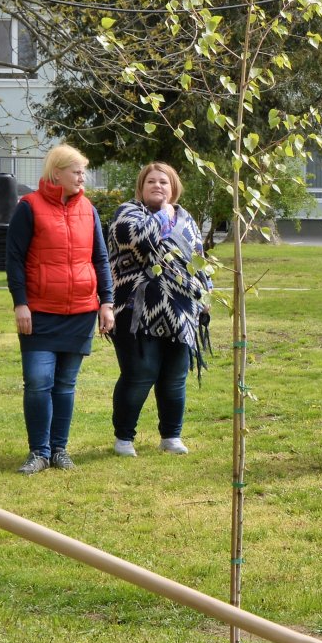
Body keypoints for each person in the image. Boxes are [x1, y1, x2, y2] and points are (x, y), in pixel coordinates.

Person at [7, 145, 114, 474]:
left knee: (66, 385)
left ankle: (59, 450)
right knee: (38, 382)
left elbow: (100, 258)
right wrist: (21, 303)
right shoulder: (28, 208)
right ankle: (38, 451)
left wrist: (106, 303)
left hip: (81, 311)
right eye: (76, 171)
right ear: (56, 173)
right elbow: (14, 260)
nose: (82, 177)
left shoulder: (89, 210)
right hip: (39, 311)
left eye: (83, 171)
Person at [107, 162, 210, 458]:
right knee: (140, 372)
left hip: (181, 310)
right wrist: (162, 216)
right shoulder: (127, 214)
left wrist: (206, 294)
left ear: (173, 187)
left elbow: (199, 260)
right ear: (141, 187)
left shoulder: (187, 219)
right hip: (136, 310)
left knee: (175, 376)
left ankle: (171, 435)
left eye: (164, 182)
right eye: (151, 181)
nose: (158, 186)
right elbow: (137, 239)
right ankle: (124, 438)